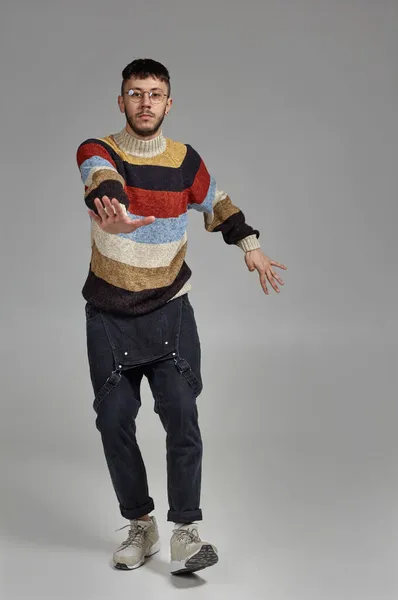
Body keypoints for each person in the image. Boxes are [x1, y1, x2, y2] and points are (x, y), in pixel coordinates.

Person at [76, 58, 287, 575]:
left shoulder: (185, 160)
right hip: (109, 312)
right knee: (114, 421)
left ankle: (186, 534)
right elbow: (99, 178)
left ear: (169, 104)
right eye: (134, 93)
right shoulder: (98, 150)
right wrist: (115, 210)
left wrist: (250, 246)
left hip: (170, 308)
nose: (144, 102)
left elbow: (216, 202)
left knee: (182, 415)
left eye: (154, 94)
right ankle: (141, 525)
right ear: (120, 101)